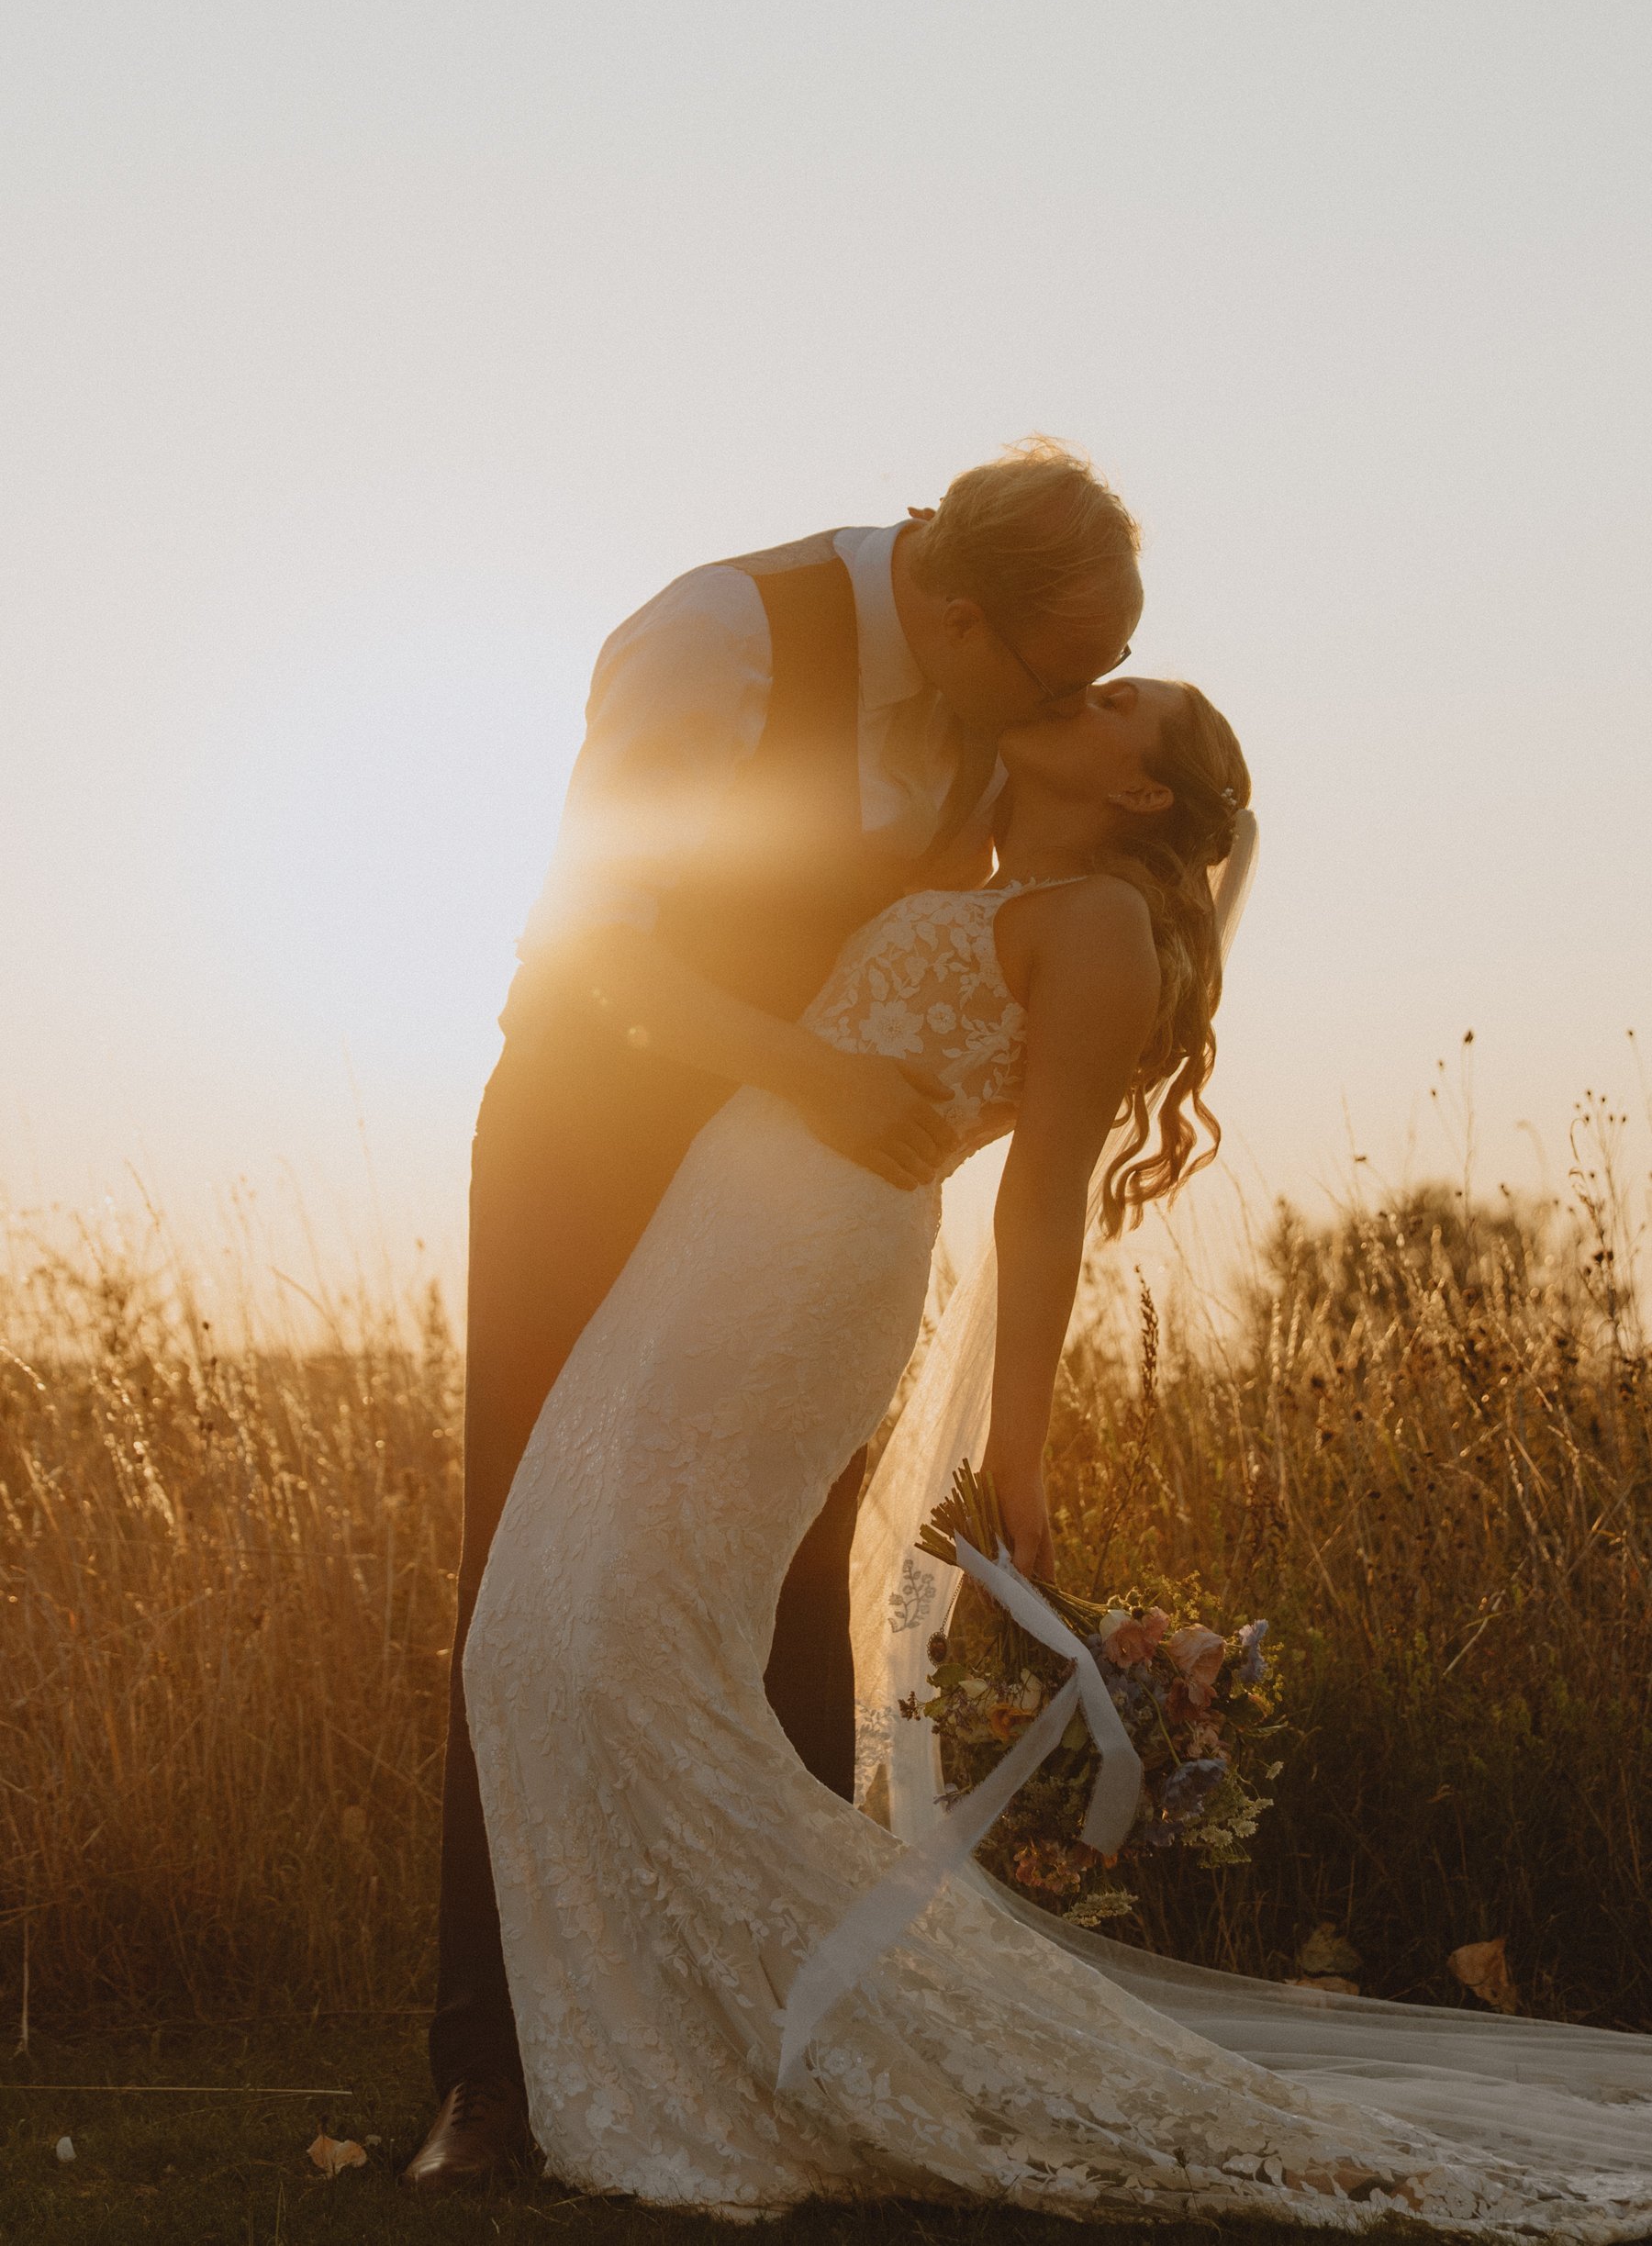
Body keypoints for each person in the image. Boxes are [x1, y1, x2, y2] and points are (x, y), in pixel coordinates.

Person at [461, 675, 1652, 2236]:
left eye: (1118, 703)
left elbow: (1043, 1200)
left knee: (629, 1640)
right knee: (527, 1637)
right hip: (713, 1228)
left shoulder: (1094, 924)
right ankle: (700, 2035)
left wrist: (1017, 1445)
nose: (1077, 694)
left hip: (808, 1263)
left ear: (1146, 792)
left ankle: (745, 2057)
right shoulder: (986, 875)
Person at [404, 442, 1144, 2190]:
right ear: (958, 619)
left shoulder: (997, 693)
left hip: (807, 1203)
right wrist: (808, 1074)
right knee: (532, 1570)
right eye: (1071, 674)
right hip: (597, 1137)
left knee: (786, 1573)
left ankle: (792, 2035)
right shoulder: (718, 636)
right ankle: (491, 2073)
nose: (1087, 706)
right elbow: (587, 940)